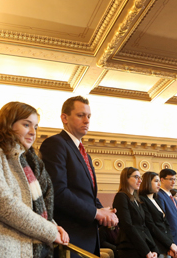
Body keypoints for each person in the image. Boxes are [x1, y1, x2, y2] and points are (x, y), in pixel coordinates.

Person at [0, 102, 69, 257]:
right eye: (26, 125)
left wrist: (54, 226)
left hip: (30, 248)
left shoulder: (30, 163)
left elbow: (35, 208)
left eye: (35, 127)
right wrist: (50, 231)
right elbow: (3, 202)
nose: (33, 132)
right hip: (4, 248)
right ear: (8, 124)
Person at [40, 96, 118, 257]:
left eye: (89, 116)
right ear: (64, 117)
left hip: (88, 238)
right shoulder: (55, 144)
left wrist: (102, 209)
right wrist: (96, 213)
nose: (86, 121)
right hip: (70, 239)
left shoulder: (85, 155)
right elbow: (58, 192)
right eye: (80, 115)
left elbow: (87, 194)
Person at [112, 167, 158, 258]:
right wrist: (146, 251)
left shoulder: (136, 199)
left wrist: (153, 249)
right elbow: (128, 226)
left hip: (141, 247)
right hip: (129, 249)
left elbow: (143, 226)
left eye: (140, 178)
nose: (140, 180)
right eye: (136, 177)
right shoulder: (121, 196)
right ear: (126, 178)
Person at [139, 171, 177, 258]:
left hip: (166, 245)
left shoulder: (157, 200)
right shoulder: (142, 200)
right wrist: (169, 243)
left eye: (159, 181)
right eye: (156, 181)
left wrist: (171, 243)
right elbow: (151, 225)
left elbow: (166, 224)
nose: (159, 183)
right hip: (155, 246)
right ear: (147, 182)